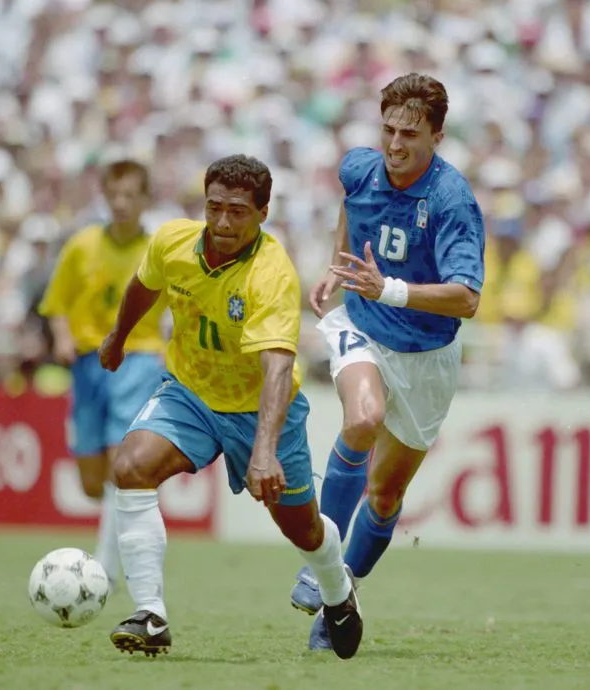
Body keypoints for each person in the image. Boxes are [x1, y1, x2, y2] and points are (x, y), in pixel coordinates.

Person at [98, 154, 363, 660]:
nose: (222, 222)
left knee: (302, 528)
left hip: (259, 408)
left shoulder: (272, 274)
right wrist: (118, 336)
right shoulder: (173, 241)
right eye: (215, 207)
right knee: (131, 467)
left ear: (262, 213)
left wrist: (263, 452)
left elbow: (277, 372)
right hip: (190, 392)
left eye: (237, 212)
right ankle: (150, 615)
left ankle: (337, 590)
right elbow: (144, 284)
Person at [289, 73, 485, 650]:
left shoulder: (453, 201)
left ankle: (339, 598)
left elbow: (468, 298)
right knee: (362, 418)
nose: (394, 145)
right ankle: (319, 566)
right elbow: (351, 204)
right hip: (364, 328)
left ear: (437, 136)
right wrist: (338, 264)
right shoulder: (360, 166)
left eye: (409, 134)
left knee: (385, 496)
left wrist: (390, 288)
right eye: (388, 130)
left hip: (427, 355)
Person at [38, 160, 167, 589]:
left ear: (146, 200)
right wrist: (61, 338)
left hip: (139, 359)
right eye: (114, 195)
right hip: (88, 363)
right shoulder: (82, 245)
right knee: (93, 483)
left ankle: (105, 569)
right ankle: (116, 544)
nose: (121, 203)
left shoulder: (160, 251)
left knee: (122, 464)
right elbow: (56, 303)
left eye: (131, 195)